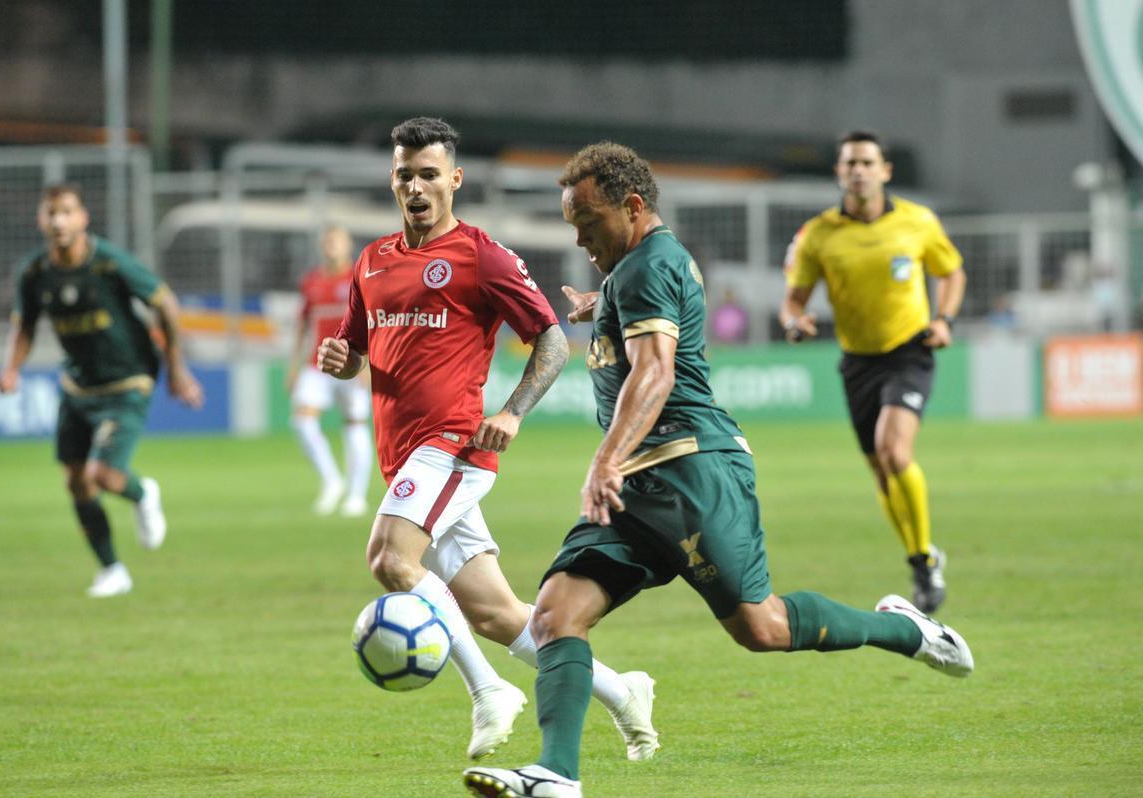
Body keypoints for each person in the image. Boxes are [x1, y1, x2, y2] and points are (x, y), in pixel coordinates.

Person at [462, 142, 973, 798]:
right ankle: (556, 775)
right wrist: (605, 304)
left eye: (587, 221)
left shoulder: (649, 265)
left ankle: (907, 630)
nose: (579, 236)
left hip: (689, 472)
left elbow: (656, 371)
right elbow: (642, 322)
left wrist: (604, 459)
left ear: (634, 205)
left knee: (761, 628)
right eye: (572, 225)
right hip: (639, 487)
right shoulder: (637, 267)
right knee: (555, 615)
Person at [317, 118, 657, 762]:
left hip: (453, 446)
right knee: (498, 616)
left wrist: (513, 411)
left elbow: (552, 338)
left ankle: (488, 691)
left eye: (428, 174)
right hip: (405, 460)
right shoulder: (372, 260)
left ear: (455, 179)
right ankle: (622, 691)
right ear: (393, 180)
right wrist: (343, 360)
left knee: (390, 560)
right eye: (403, 174)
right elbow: (359, 351)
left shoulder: (481, 255)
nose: (415, 186)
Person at [779, 129, 967, 613]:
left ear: (885, 170)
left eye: (867, 162)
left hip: (909, 350)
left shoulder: (917, 221)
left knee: (894, 451)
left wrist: (944, 320)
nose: (858, 170)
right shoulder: (819, 233)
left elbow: (951, 271)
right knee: (882, 473)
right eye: (849, 163)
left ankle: (925, 565)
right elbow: (794, 297)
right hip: (857, 361)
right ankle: (920, 554)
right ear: (839, 172)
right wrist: (794, 320)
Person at [0, 183, 204, 598]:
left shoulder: (109, 263)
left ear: (82, 218)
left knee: (104, 475)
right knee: (75, 480)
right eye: (51, 213)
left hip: (127, 380)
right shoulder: (35, 272)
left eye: (67, 212)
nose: (58, 221)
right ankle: (112, 570)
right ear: (41, 220)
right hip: (77, 384)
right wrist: (12, 368)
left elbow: (165, 303)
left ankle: (143, 492)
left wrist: (177, 368)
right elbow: (25, 325)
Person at [286, 224, 373, 517]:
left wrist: (369, 364)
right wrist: (293, 365)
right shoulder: (312, 281)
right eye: (327, 241)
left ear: (348, 245)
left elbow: (374, 321)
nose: (330, 246)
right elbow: (302, 323)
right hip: (318, 363)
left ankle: (356, 496)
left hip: (354, 360)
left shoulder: (360, 277)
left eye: (336, 241)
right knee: (302, 421)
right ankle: (332, 480)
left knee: (355, 423)